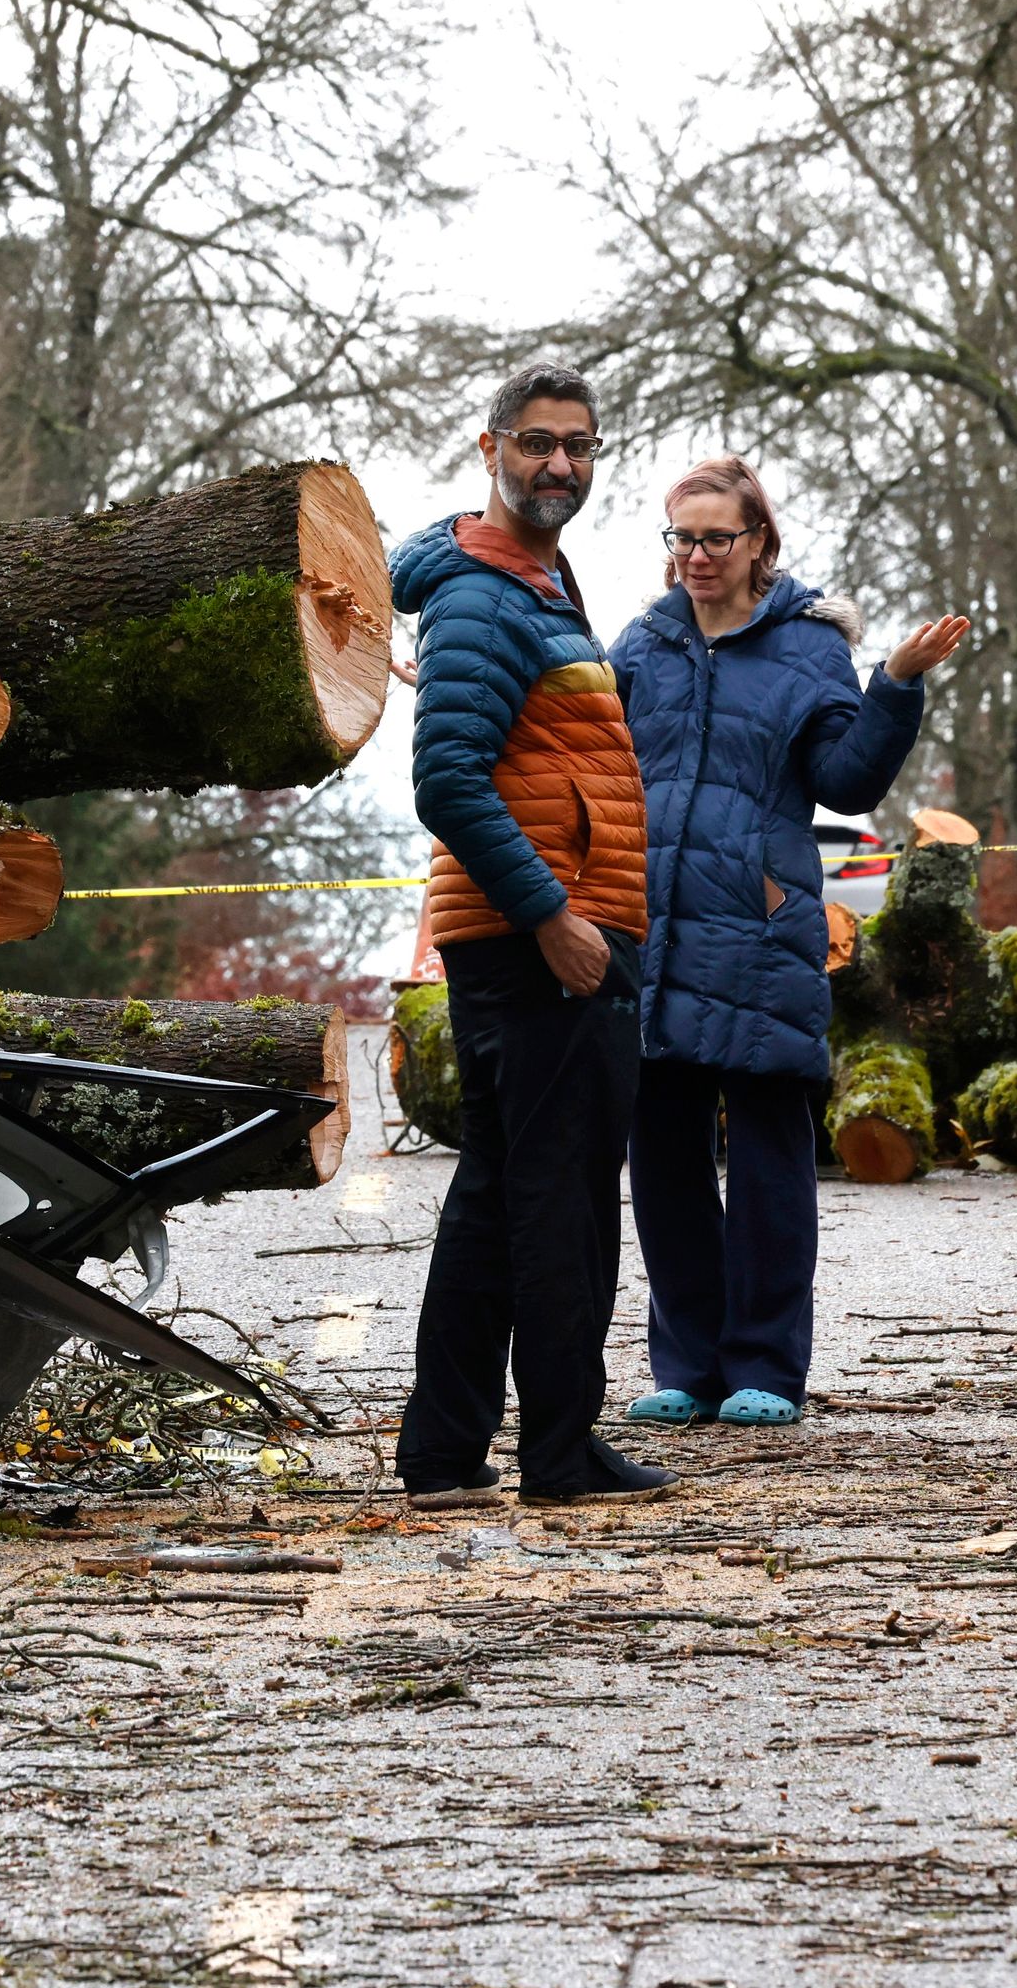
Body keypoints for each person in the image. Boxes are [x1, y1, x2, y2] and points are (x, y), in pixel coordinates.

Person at [614, 459, 969, 1429]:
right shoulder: (641, 646)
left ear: (759, 543)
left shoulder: (808, 650)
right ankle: (686, 1361)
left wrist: (893, 684)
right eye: (680, 538)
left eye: (715, 538)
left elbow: (849, 780)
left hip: (764, 935)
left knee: (771, 1162)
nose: (694, 557)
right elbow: (593, 760)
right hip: (657, 938)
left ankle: (767, 1361)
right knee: (666, 1163)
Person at [393, 364, 668, 1507]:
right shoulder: (485, 593)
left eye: (582, 447)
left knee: (502, 1196)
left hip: (539, 929)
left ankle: (445, 1453)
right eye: (540, 442)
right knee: (559, 1203)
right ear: (490, 446)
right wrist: (555, 919)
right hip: (542, 939)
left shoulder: (537, 579)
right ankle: (561, 1449)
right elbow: (447, 779)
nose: (562, 464)